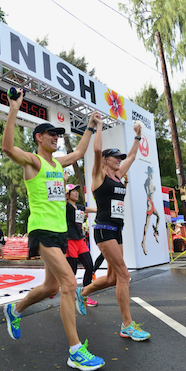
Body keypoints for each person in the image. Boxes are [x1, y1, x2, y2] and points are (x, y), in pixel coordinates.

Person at [2, 88, 105, 371]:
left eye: (59, 135)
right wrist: (14, 108)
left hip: (60, 233)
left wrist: (91, 127)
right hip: (42, 230)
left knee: (50, 287)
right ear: (39, 137)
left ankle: (15, 309)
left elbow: (81, 151)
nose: (56, 138)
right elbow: (8, 148)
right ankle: (75, 351)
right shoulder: (33, 162)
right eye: (52, 134)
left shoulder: (58, 163)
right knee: (69, 284)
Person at [75, 119, 151, 342]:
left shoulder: (118, 176)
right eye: (116, 157)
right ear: (106, 160)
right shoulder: (99, 175)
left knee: (111, 279)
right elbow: (97, 149)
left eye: (120, 157)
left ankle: (83, 292)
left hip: (117, 231)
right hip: (103, 230)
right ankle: (127, 325)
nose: (120, 160)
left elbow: (133, 156)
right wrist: (98, 126)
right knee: (124, 275)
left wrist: (137, 136)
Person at [65, 183, 98, 307]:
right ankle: (61, 290)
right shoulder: (66, 206)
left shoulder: (79, 207)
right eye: (73, 191)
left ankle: (84, 294)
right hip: (69, 241)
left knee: (90, 266)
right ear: (67, 195)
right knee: (71, 272)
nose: (76, 193)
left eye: (77, 191)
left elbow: (94, 209)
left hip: (80, 241)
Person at [141, 166, 160, 255]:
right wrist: (154, 190)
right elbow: (150, 190)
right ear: (150, 173)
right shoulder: (149, 181)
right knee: (147, 224)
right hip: (149, 203)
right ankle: (143, 242)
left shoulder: (148, 181)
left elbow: (145, 187)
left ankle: (155, 231)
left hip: (151, 202)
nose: (152, 175)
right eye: (152, 173)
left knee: (158, 217)